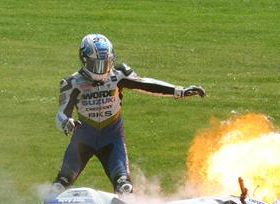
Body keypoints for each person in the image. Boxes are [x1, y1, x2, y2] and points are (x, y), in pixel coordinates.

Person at [52, 34, 205, 195]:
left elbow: (146, 84)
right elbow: (61, 113)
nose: (102, 69)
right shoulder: (71, 83)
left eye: (106, 64)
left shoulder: (118, 74)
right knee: (60, 184)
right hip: (83, 140)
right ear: (84, 60)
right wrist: (66, 121)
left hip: (112, 139)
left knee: (124, 186)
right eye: (96, 64)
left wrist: (179, 91)